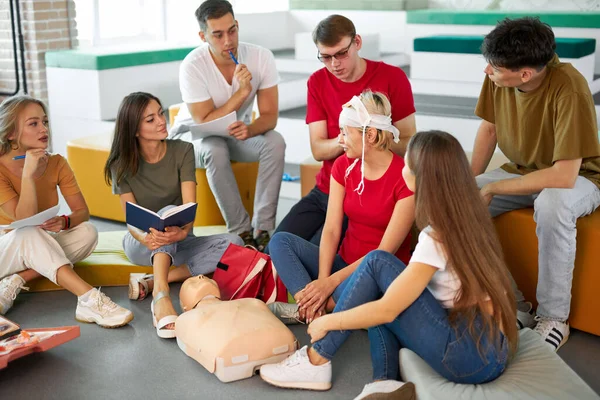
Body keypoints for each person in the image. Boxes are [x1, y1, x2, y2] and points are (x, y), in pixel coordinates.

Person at [260, 131, 518, 399]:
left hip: (470, 357)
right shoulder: (469, 214)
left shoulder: (437, 236)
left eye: (406, 164)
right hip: (492, 346)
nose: (401, 167)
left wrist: (328, 323)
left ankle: (316, 359)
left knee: (378, 270)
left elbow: (387, 310)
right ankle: (385, 382)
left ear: (421, 179)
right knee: (381, 282)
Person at [472, 17, 600, 351]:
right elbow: (489, 128)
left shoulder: (569, 87)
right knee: (463, 199)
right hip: (521, 169)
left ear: (525, 74)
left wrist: (492, 188)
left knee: (552, 203)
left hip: (581, 176)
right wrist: (469, 183)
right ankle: (512, 304)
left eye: (495, 68)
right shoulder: (499, 73)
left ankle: (555, 318)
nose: (488, 72)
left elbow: (563, 176)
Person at [268, 90, 415, 325]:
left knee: (356, 283)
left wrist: (330, 283)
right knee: (279, 242)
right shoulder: (343, 166)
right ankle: (315, 309)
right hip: (344, 265)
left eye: (345, 132)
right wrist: (325, 280)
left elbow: (383, 254)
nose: (340, 140)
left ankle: (308, 310)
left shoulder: (405, 178)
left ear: (371, 135)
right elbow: (332, 230)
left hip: (378, 274)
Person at [105, 92, 242, 339]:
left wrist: (184, 231)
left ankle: (150, 281)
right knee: (167, 213)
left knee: (236, 243)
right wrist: (145, 238)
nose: (161, 120)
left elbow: (189, 204)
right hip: (140, 243)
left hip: (177, 238)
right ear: (134, 130)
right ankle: (160, 295)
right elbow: (132, 220)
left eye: (160, 112)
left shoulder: (183, 150)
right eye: (150, 119)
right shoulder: (120, 164)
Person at [271, 14, 416, 248]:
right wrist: (350, 138)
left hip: (367, 194)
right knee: (276, 246)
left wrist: (370, 139)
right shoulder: (317, 81)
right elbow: (318, 149)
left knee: (316, 256)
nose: (335, 64)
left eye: (341, 54)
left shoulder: (392, 77)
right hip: (326, 188)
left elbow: (409, 141)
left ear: (357, 42)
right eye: (326, 57)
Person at [0, 95, 133, 328]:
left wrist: (64, 222)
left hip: (39, 240)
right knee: (28, 233)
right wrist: (28, 173)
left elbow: (82, 212)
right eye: (33, 124)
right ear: (11, 133)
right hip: (7, 244)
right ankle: (89, 298)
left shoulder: (57, 163)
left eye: (45, 122)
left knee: (88, 233)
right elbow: (22, 219)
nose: (44, 129)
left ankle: (18, 278)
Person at [170, 0, 285, 251]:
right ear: (203, 36)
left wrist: (250, 129)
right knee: (214, 148)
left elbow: (269, 116)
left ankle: (263, 229)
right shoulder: (193, 65)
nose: (228, 41)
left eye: (232, 31)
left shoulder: (260, 57)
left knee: (275, 142)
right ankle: (241, 231)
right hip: (194, 138)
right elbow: (204, 120)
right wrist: (242, 93)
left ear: (237, 26)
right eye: (218, 34)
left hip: (233, 133)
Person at [175, 275, 297, 383]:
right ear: (185, 307)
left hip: (250, 351)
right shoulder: (187, 318)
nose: (201, 276)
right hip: (279, 343)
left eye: (206, 277)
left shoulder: (253, 302)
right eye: (192, 282)